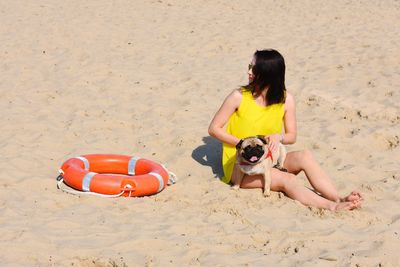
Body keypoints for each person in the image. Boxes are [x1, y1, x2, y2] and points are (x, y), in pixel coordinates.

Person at [208, 49, 363, 211]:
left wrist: (278, 137)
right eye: (249, 66)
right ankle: (332, 206)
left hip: (270, 159)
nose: (248, 72)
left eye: (253, 68)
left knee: (305, 156)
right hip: (241, 167)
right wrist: (241, 143)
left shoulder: (286, 99)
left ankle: (338, 197)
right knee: (287, 179)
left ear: (268, 73)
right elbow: (213, 129)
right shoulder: (238, 96)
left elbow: (291, 136)